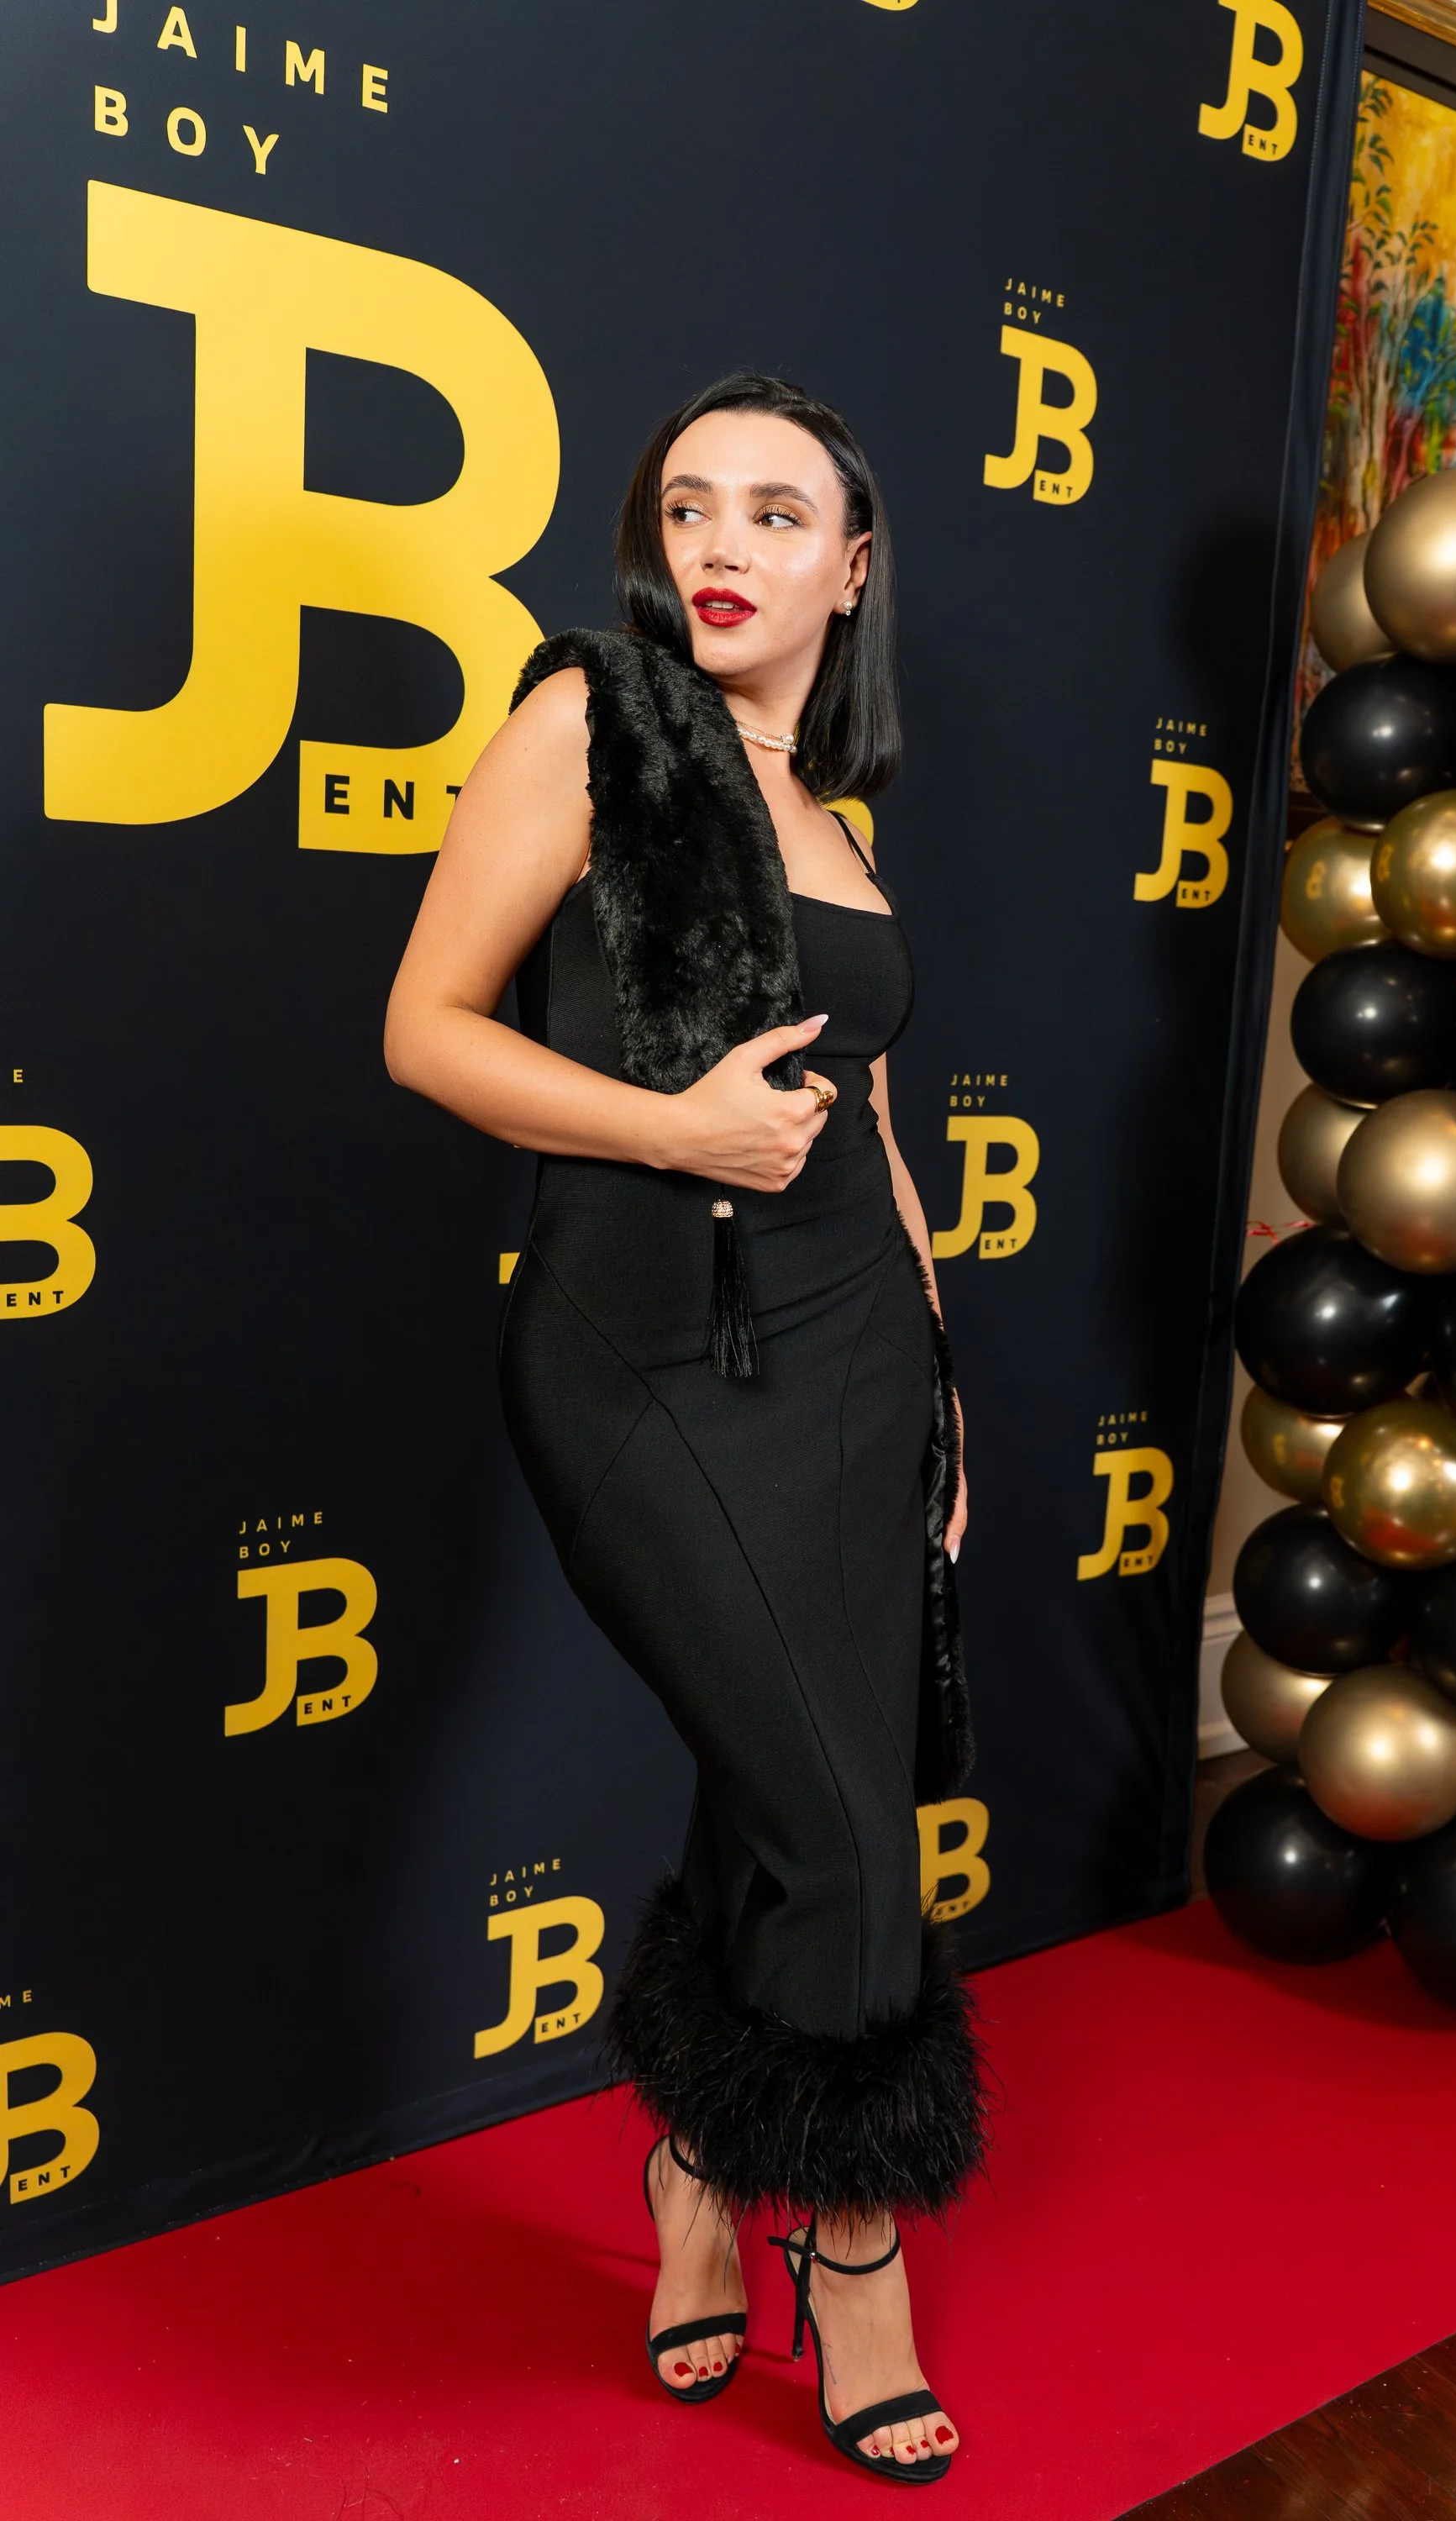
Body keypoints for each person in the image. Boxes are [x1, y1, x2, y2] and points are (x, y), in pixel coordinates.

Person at [386, 371, 984, 2482]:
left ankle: (700, 2177)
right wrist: (669, 1128)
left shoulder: (838, 811)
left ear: (853, 565)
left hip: (852, 1360)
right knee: (841, 1831)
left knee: (786, 1791)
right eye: (691, 505)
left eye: (777, 512)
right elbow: (424, 1027)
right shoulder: (593, 722)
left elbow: (873, 1129)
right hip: (643, 1358)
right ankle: (854, 2247)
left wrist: (941, 1383)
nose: (724, 544)